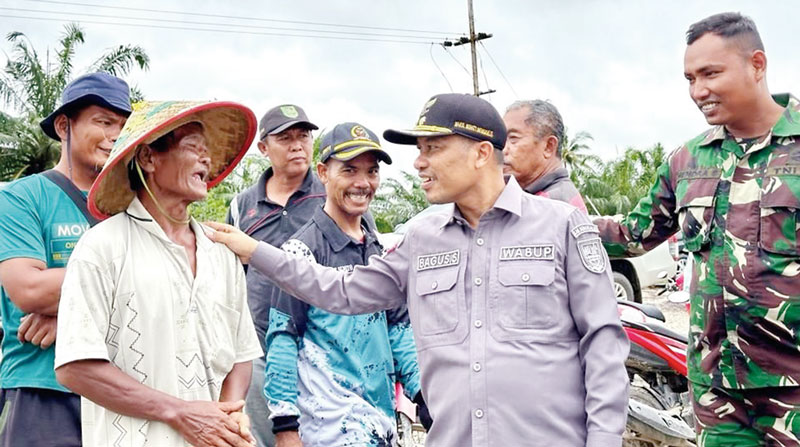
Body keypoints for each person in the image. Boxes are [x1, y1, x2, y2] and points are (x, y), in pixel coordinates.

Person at [207, 93, 630, 447]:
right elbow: (342, 290)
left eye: (433, 149)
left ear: (482, 153)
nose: (419, 163)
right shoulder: (420, 240)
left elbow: (603, 345)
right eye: (419, 151)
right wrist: (256, 251)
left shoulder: (562, 226)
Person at [593, 12, 800, 446]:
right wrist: (553, 222)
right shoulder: (687, 162)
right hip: (716, 393)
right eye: (690, 78)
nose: (698, 91)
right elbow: (633, 234)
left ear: (757, 65)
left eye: (710, 74)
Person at [53, 100, 263, 447]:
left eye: (207, 151)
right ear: (149, 158)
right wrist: (180, 413)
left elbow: (241, 356)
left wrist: (225, 418)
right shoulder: (103, 247)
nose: (207, 158)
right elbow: (75, 367)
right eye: (194, 147)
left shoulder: (221, 253)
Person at [266, 122, 425, 447]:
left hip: (379, 429)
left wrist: (424, 395)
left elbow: (398, 333)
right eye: (350, 170)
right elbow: (283, 339)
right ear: (323, 173)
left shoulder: (382, 252)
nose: (362, 183)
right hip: (324, 432)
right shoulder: (301, 252)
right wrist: (285, 426)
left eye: (372, 171)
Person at [0, 72, 131, 447]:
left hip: (122, 392)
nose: (115, 136)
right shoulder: (23, 198)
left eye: (123, 127)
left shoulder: (133, 207)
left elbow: (165, 286)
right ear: (63, 126)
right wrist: (124, 280)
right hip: (41, 389)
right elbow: (29, 290)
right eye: (103, 122)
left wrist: (72, 314)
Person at [227, 104, 324, 447]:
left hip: (321, 349)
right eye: (285, 138)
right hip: (259, 348)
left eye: (303, 136)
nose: (297, 145)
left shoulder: (331, 195)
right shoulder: (242, 206)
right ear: (263, 148)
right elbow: (230, 277)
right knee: (263, 438)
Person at [503, 99, 588, 213]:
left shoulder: (552, 207)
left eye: (513, 138)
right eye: (502, 138)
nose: (503, 149)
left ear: (549, 146)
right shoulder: (535, 198)